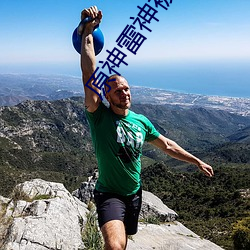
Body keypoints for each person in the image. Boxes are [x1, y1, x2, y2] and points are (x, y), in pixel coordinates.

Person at [80, 6, 214, 250]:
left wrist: (196, 161)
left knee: (124, 241)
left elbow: (168, 145)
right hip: (109, 194)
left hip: (134, 194)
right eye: (118, 90)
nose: (124, 93)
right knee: (114, 245)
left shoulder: (142, 121)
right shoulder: (99, 117)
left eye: (127, 88)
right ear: (107, 96)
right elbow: (89, 73)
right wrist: (87, 32)